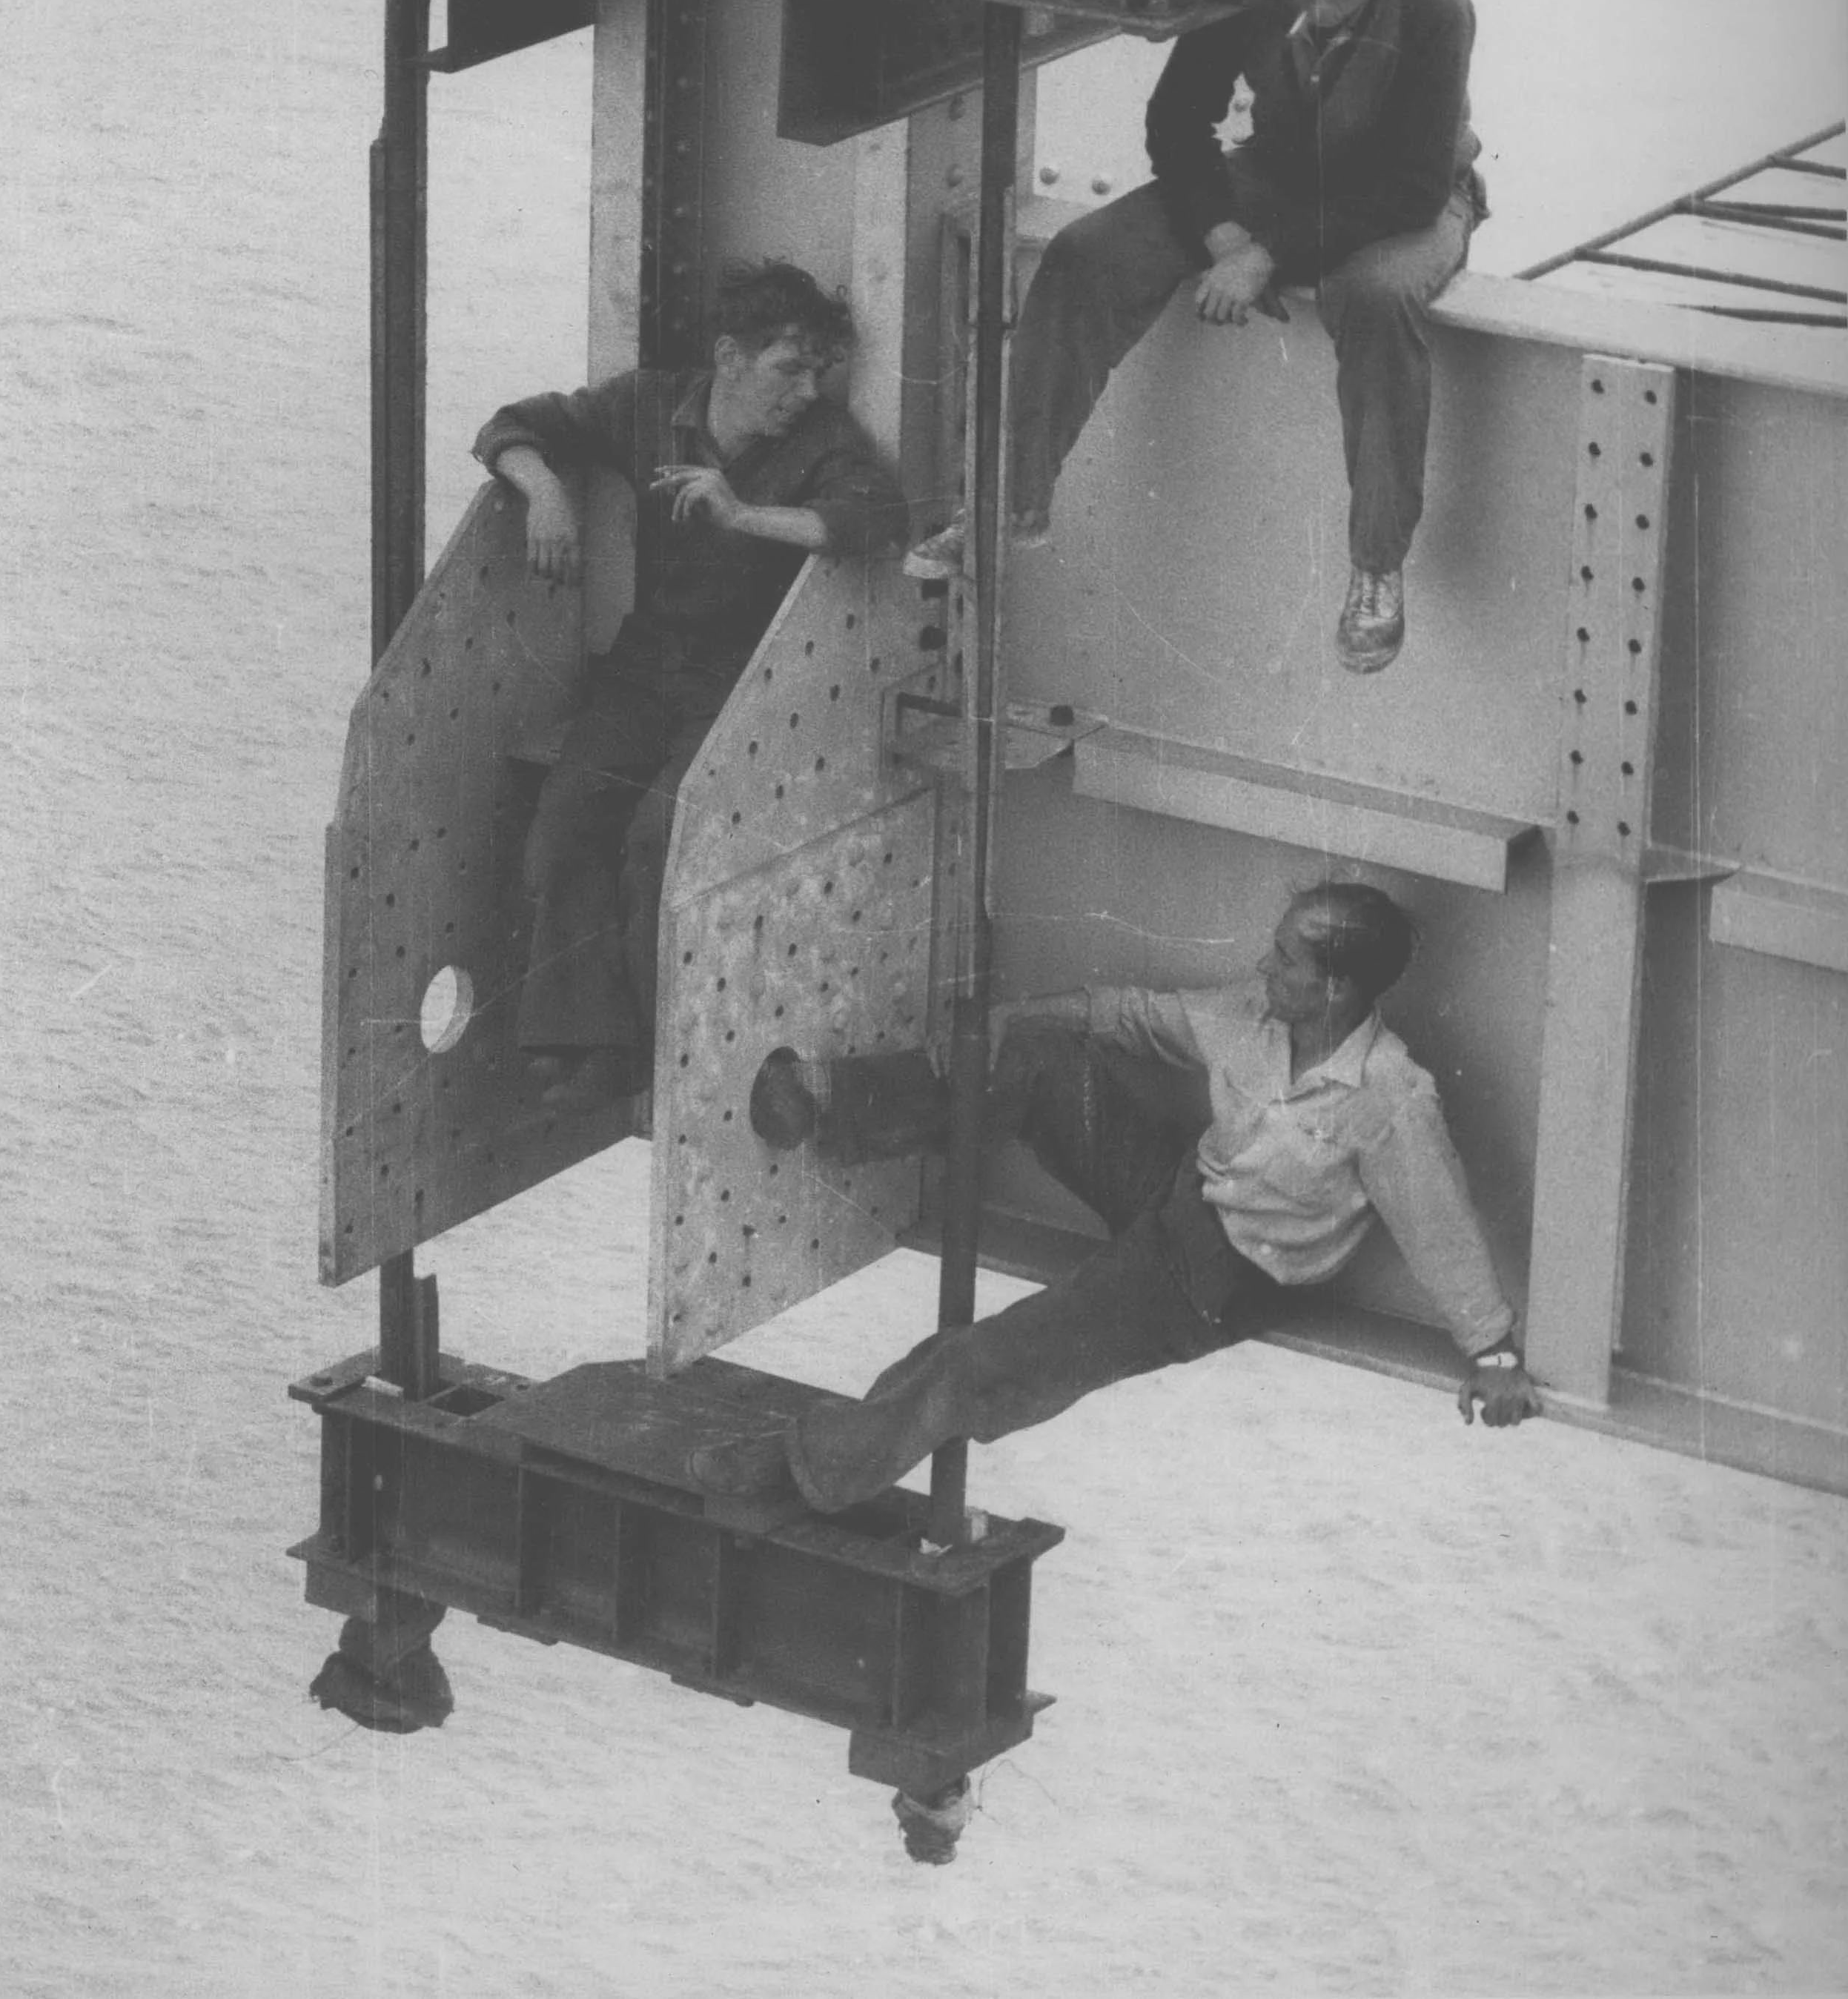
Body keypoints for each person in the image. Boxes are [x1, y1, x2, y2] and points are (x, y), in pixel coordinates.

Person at [690, 882, 1540, 1512]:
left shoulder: (1388, 1096)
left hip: (1202, 1285)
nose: (1260, 965)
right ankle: (830, 1101)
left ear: (1334, 990)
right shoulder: (1252, 1014)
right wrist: (1015, 1014)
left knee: (975, 1365)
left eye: (1283, 957)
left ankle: (808, 1472)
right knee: (1038, 1058)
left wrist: (1493, 1354)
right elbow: (1130, 1016)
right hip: (1177, 1193)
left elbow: (1441, 1227)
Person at [918, 0, 1483, 674]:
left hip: (1404, 198)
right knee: (1087, 254)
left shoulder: (1435, 6)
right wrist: (1220, 232)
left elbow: (1413, 185)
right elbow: (1178, 118)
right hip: (1280, 173)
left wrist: (1268, 255)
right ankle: (1008, 500)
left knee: (1371, 297)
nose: (1317, 6)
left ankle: (1376, 565)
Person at [477, 262, 908, 1113]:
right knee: (568, 820)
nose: (804, 390)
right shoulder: (650, 406)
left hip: (738, 681)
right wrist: (545, 494)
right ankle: (585, 1046)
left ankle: (652, 1055)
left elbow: (872, 522)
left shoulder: (820, 440)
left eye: (817, 372)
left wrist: (742, 514)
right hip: (646, 667)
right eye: (789, 367)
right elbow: (516, 424)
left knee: (658, 838)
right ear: (730, 357)